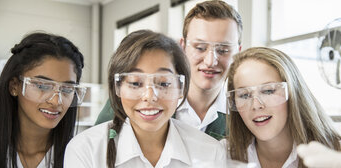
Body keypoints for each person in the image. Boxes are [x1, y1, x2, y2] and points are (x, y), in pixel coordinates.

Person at [58, 30, 226, 168]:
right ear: (117, 87)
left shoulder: (210, 153)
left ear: (181, 88)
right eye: (135, 83)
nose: (149, 96)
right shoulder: (85, 151)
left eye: (164, 83)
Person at [95, 0, 242, 140]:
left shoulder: (244, 114)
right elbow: (95, 149)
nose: (210, 61)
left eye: (223, 50)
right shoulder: (131, 99)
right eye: (200, 48)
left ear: (238, 53)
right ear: (183, 47)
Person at [0, 32, 86, 168]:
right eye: (42, 85)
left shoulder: (79, 162)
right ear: (14, 86)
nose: (56, 101)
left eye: (66, 89)